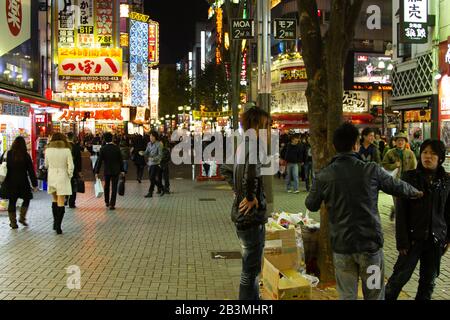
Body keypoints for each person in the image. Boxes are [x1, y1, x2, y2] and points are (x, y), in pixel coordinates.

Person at [305, 122, 423, 300]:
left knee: (347, 296)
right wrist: (418, 192)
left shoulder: (324, 175)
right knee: (374, 294)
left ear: (334, 147)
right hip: (370, 246)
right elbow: (398, 187)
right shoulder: (371, 170)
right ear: (356, 145)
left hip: (342, 247)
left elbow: (311, 204)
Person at [385, 140, 450, 300]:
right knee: (398, 280)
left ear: (440, 158)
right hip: (412, 240)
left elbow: (448, 211)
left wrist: (447, 237)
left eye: (433, 153)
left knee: (428, 283)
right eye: (425, 152)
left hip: (435, 240)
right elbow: (401, 212)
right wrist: (402, 241)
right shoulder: (409, 177)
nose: (428, 156)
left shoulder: (446, 180)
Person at [220, 106, 269, 300]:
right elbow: (251, 174)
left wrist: (238, 190)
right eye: (265, 125)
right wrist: (249, 197)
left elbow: (225, 169)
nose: (267, 130)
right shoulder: (254, 145)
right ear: (256, 125)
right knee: (251, 270)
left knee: (249, 268)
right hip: (250, 217)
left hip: (242, 216)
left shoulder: (242, 145)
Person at [0, 137, 38, 229]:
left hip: (9, 182)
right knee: (27, 199)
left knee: (12, 202)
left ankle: (13, 223)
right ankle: (22, 217)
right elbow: (31, 171)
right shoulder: (25, 155)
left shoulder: (7, 154)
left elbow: (1, 166)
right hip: (23, 182)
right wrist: (34, 184)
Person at [382, 131, 417, 221]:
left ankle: (396, 211)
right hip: (395, 181)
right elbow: (384, 164)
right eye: (398, 140)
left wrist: (413, 179)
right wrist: (394, 165)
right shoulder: (390, 153)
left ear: (405, 142)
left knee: (406, 201)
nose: (400, 142)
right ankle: (399, 219)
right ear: (395, 142)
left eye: (402, 140)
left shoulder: (410, 153)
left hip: (407, 181)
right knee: (397, 201)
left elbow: (414, 166)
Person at [45, 133, 74, 234]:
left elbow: (46, 164)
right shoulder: (67, 150)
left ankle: (55, 222)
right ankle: (58, 225)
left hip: (52, 176)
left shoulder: (48, 150)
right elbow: (71, 166)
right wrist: (69, 175)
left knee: (54, 199)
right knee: (61, 201)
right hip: (63, 176)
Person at [94, 132, 124, 210]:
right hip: (116, 170)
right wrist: (122, 170)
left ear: (104, 139)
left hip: (107, 170)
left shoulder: (103, 149)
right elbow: (121, 160)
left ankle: (107, 201)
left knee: (106, 186)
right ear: (112, 139)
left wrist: (97, 171)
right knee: (114, 187)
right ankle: (112, 204)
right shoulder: (116, 148)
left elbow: (99, 161)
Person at [142, 131, 164, 198]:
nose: (150, 138)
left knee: (152, 178)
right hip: (150, 164)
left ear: (155, 137)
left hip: (156, 164)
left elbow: (160, 155)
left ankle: (150, 192)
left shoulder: (159, 144)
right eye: (150, 136)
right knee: (152, 179)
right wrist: (143, 153)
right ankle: (162, 188)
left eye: (152, 136)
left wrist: (153, 159)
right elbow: (147, 152)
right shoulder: (149, 144)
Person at [66, 132, 82, 209]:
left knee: (65, 184)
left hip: (64, 170)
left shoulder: (64, 147)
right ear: (73, 138)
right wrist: (79, 171)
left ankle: (65, 199)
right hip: (74, 170)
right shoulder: (76, 147)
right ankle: (72, 203)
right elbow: (79, 160)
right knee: (73, 186)